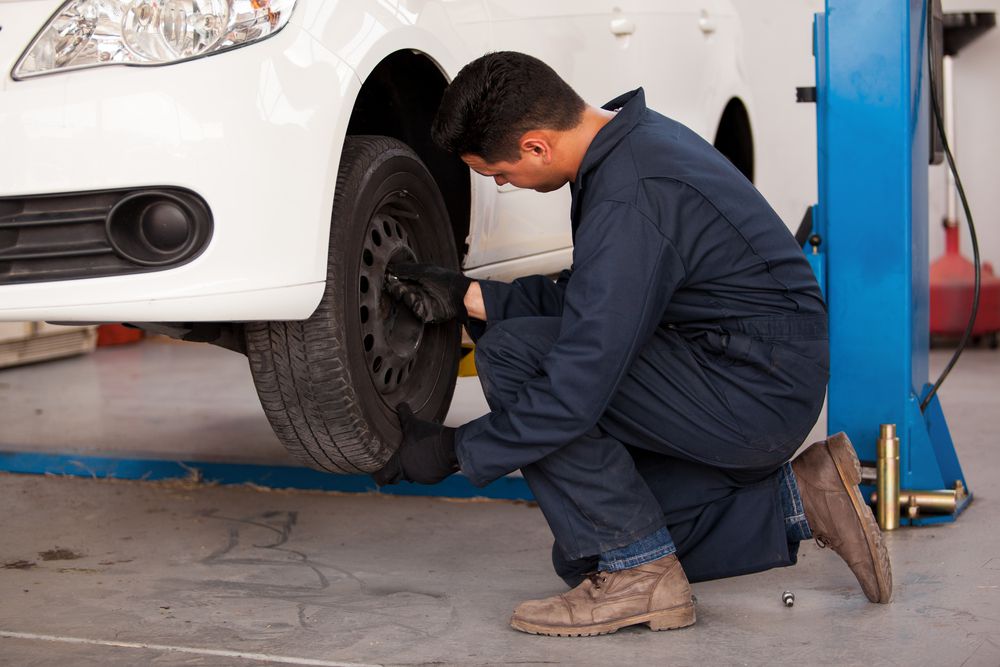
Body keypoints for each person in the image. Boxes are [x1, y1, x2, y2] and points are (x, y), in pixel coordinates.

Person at [374, 51, 892, 637]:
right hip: (745, 370)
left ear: (537, 146)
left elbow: (578, 386)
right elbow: (604, 299)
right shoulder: (630, 148)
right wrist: (470, 296)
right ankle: (800, 498)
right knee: (583, 555)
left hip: (752, 387)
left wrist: (453, 452)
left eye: (497, 173)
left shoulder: (630, 194)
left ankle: (638, 572)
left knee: (513, 355)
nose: (502, 185)